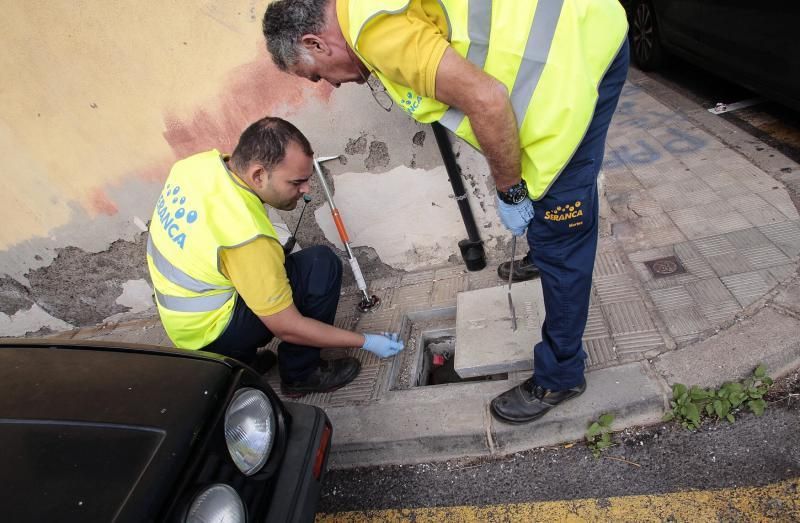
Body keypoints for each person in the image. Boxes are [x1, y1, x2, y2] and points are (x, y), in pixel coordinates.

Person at [263, 0, 629, 423]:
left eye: (316, 74)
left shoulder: (375, 31)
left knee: (563, 241)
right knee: (548, 221)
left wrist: (510, 193)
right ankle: (544, 250)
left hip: (579, 51)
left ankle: (562, 373)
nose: (332, 84)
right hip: (585, 24)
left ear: (316, 42)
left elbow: (489, 101)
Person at [146, 116, 404, 397]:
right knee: (320, 265)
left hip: (183, 323)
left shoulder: (195, 167)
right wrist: (365, 340)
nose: (306, 189)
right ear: (258, 175)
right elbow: (289, 328)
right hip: (210, 334)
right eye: (297, 182)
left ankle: (241, 362)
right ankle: (301, 374)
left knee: (276, 269)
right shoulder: (247, 240)